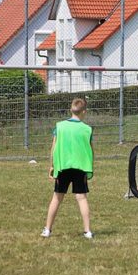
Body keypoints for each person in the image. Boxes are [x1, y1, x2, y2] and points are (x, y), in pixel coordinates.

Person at [41, 98, 94, 239]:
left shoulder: (59, 126)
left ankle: (47, 229)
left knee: (56, 198)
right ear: (84, 112)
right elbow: (91, 149)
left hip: (63, 166)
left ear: (71, 109)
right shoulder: (87, 129)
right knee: (82, 198)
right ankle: (87, 231)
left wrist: (52, 165)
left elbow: (53, 147)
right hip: (80, 167)